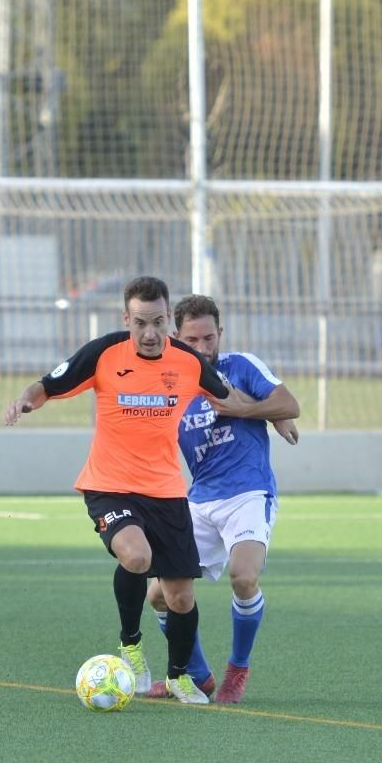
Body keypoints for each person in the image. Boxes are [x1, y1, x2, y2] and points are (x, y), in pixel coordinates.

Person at [2, 276, 249, 705]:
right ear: (126, 319)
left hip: (166, 490)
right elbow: (47, 385)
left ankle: (178, 676)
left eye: (158, 322)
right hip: (109, 485)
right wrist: (25, 401)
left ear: (169, 319)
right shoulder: (104, 354)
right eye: (140, 323)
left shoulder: (188, 363)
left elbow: (229, 397)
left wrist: (278, 415)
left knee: (180, 595)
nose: (150, 333)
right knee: (136, 556)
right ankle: (131, 646)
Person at [140, 294, 300, 705]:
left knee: (244, 576)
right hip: (198, 499)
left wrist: (249, 409)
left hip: (248, 492)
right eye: (192, 340)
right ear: (176, 338)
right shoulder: (167, 383)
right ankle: (196, 675)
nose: (202, 347)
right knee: (157, 595)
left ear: (220, 333)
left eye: (209, 338)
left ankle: (237, 669)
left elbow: (289, 403)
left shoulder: (240, 366)